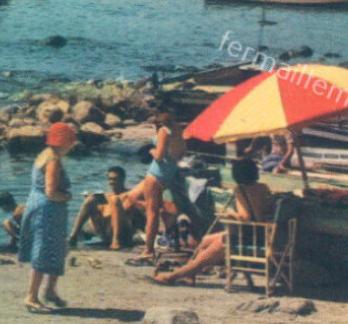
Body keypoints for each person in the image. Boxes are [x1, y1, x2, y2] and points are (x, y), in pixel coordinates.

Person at [154, 158, 276, 286]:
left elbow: (245, 217)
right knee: (207, 239)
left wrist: (230, 214)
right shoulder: (263, 188)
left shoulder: (241, 190)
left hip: (248, 236)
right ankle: (190, 274)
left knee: (208, 253)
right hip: (263, 233)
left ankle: (173, 276)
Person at [18, 122, 75, 313]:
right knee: (43, 250)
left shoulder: (44, 154)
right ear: (64, 142)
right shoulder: (53, 160)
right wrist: (67, 196)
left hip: (38, 204)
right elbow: (51, 192)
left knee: (55, 248)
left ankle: (50, 290)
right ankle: (31, 296)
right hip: (47, 210)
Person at [123, 108, 189, 264]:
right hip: (167, 174)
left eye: (157, 115)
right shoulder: (178, 131)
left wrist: (151, 150)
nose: (155, 118)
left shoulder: (164, 132)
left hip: (155, 175)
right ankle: (150, 240)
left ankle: (148, 251)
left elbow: (158, 156)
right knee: (136, 199)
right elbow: (181, 154)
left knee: (151, 214)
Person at [67, 166, 141, 250]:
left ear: (122, 179)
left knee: (115, 200)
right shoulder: (106, 196)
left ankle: (116, 241)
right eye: (110, 179)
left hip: (123, 233)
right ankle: (73, 236)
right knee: (91, 199)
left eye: (115, 179)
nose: (111, 182)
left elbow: (137, 216)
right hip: (104, 231)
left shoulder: (130, 195)